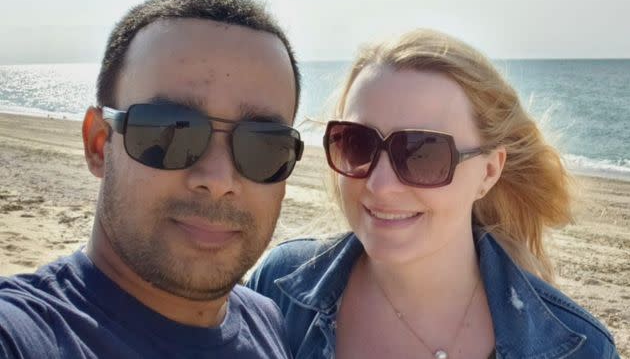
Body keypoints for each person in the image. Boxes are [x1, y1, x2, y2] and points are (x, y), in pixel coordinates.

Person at [248, 29, 620, 358]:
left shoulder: (581, 347)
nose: (380, 185)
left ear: (488, 172)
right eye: (357, 143)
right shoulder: (278, 289)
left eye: (422, 152)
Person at [0, 0, 305, 358]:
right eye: (170, 131)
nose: (219, 180)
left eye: (263, 145)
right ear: (99, 144)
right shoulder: (23, 334)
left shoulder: (267, 320)